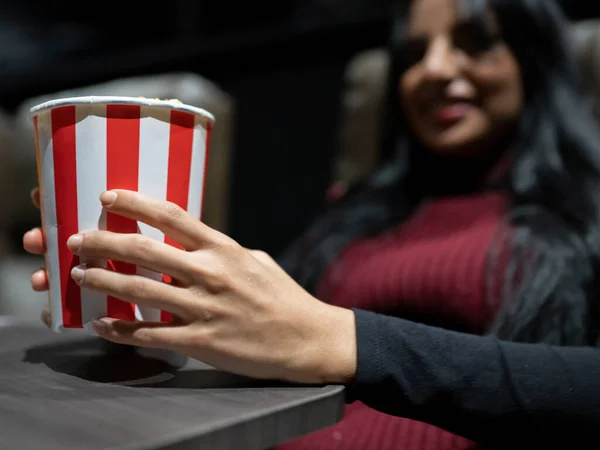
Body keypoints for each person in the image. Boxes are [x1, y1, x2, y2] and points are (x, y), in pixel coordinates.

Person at [21, 0, 600, 448]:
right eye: (414, 53)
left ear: (534, 57)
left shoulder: (584, 209)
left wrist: (346, 340)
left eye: (476, 44)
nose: (437, 69)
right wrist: (146, 291)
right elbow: (277, 338)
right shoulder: (359, 210)